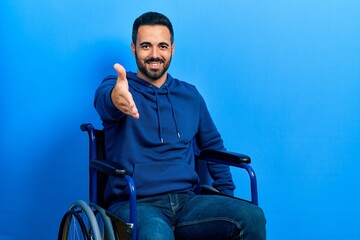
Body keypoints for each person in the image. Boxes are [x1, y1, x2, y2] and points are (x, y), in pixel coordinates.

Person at [94, 11, 266, 240]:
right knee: (156, 235)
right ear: (133, 48)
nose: (155, 54)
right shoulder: (118, 88)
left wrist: (227, 197)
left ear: (172, 49)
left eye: (162, 46)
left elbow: (213, 144)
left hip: (187, 202)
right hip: (135, 203)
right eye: (146, 46)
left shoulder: (190, 95)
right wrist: (116, 98)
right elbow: (106, 101)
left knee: (251, 216)